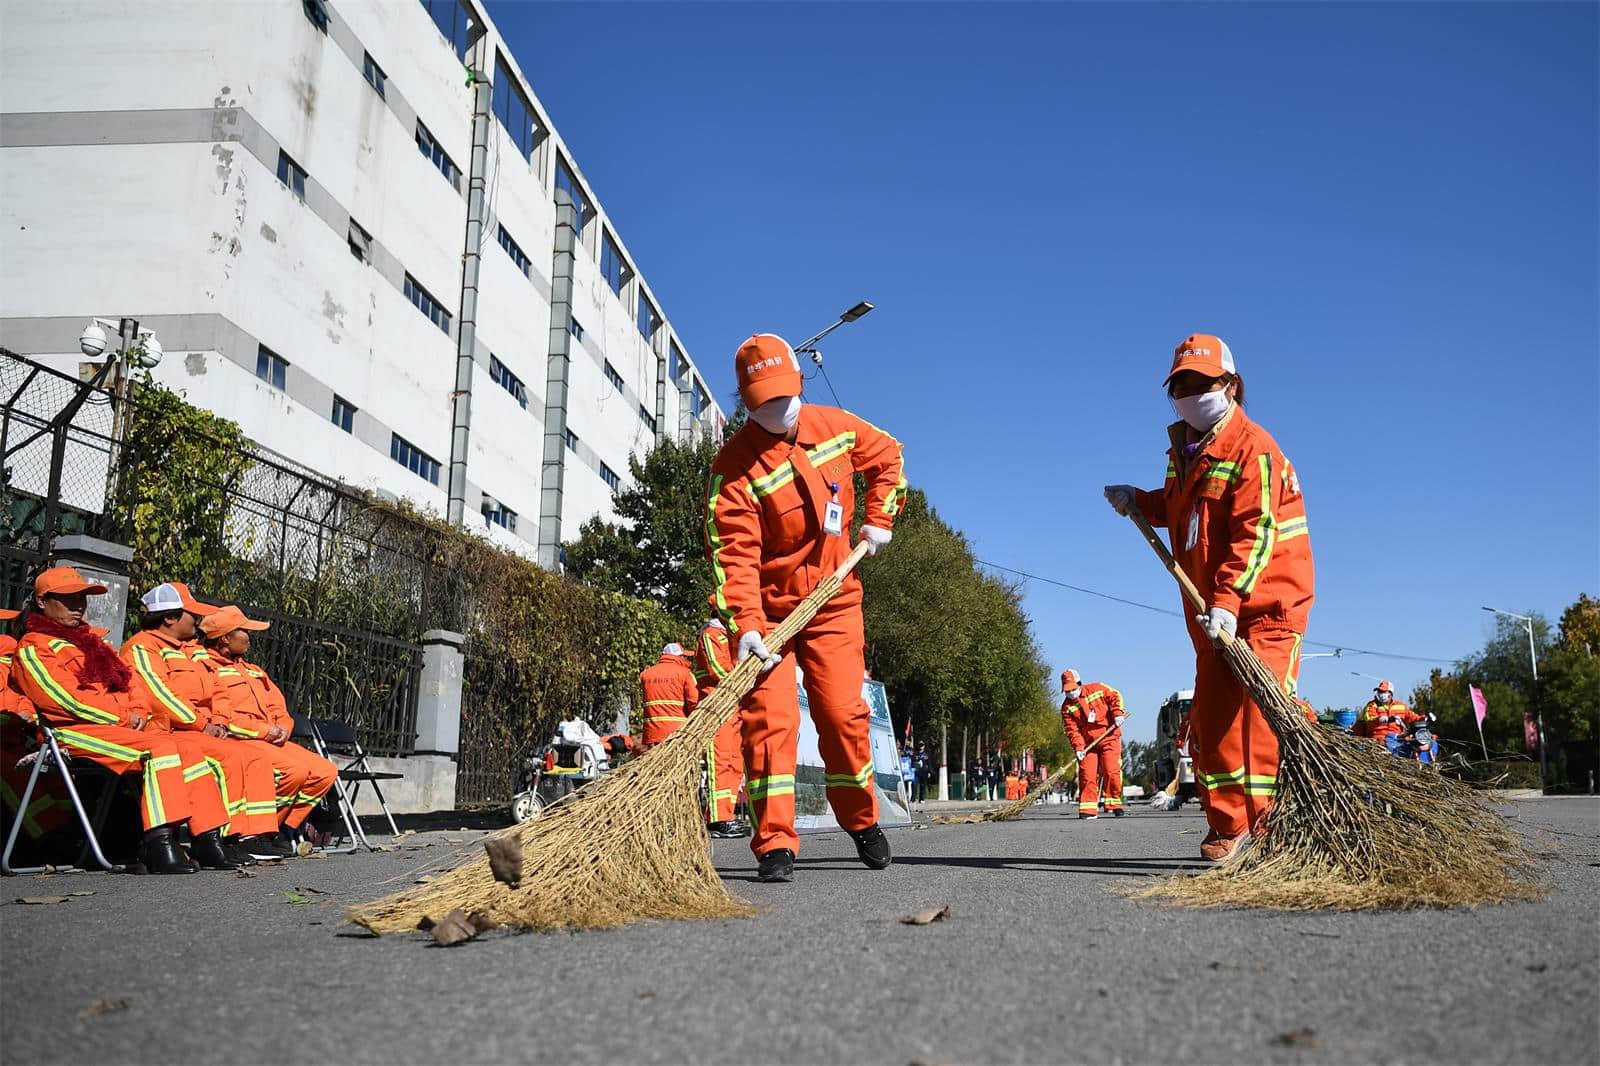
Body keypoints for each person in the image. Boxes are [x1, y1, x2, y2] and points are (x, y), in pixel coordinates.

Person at [703, 332, 907, 883]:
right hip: (769, 617)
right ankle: (774, 843)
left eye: (787, 395)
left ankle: (862, 822)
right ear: (746, 402)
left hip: (835, 601)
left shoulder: (835, 428)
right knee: (771, 722)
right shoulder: (733, 471)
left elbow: (889, 456)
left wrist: (880, 518)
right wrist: (745, 626)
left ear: (799, 384)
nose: (780, 409)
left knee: (842, 715)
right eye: (766, 401)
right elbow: (734, 557)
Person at [1105, 333, 1313, 861]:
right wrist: (1141, 502)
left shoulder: (1254, 448)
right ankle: (1228, 825)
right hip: (1210, 613)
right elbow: (1182, 512)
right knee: (1213, 720)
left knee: (1262, 718)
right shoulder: (1185, 452)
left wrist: (1226, 601)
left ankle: (1268, 830)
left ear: (1232, 386)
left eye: (1202, 383)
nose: (1190, 393)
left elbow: (1255, 534)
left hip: (1266, 606)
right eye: (1181, 385)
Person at [10, 567, 239, 873]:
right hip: (71, 732)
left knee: (187, 750)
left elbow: (132, 685)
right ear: (42, 601)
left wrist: (139, 713)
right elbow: (63, 700)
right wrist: (123, 716)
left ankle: (207, 839)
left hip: (117, 728)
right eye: (68, 599)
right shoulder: (33, 646)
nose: (79, 605)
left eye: (82, 598)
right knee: (161, 750)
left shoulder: (92, 642)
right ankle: (158, 844)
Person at [120, 583, 282, 863]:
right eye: (190, 613)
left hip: (202, 729)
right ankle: (221, 837)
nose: (196, 620)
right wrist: (201, 724)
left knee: (252, 756)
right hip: (172, 730)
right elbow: (160, 696)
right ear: (169, 618)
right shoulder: (141, 647)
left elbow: (219, 691)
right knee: (230, 756)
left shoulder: (191, 650)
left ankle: (243, 836)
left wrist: (218, 720)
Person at [194, 604, 338, 846]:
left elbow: (278, 707)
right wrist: (264, 731)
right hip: (242, 740)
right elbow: (221, 716)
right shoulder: (208, 669)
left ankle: (284, 826)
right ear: (225, 639)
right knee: (294, 772)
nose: (249, 638)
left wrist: (283, 728)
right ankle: (259, 832)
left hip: (272, 739)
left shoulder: (253, 670)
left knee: (325, 771)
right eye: (244, 631)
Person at [691, 618, 751, 839]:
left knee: (734, 762)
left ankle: (725, 815)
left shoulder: (728, 635)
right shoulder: (712, 634)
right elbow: (718, 670)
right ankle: (717, 819)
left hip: (732, 706)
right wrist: (745, 673)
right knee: (720, 761)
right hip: (717, 704)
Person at [1060, 670, 1128, 819]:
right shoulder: (1066, 708)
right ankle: (1088, 809)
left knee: (1111, 771)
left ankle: (1114, 804)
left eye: (1073, 689)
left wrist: (1117, 714)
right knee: (1087, 774)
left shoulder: (1097, 689)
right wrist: (1078, 748)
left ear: (1079, 684)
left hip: (1109, 737)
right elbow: (1072, 730)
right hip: (1087, 745)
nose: (1071, 693)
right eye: (1067, 691)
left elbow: (1115, 695)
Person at [638, 643, 697, 748]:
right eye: (684, 656)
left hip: (652, 732)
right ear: (679, 656)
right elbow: (694, 702)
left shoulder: (646, 674)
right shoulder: (685, 674)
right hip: (677, 732)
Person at [1355, 680, 1420, 747]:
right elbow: (1369, 719)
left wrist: (1425, 718)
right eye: (1379, 691)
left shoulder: (1400, 706)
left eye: (1383, 692)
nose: (1380, 693)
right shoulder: (1372, 705)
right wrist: (1383, 719)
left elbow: (1414, 718)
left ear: (1390, 693)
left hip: (1397, 740)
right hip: (1378, 740)